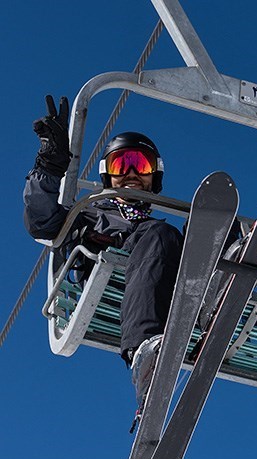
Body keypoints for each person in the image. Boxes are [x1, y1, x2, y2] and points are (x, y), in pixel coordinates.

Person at [24, 95, 184, 426]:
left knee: (204, 232)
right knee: (161, 234)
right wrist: (50, 164)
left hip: (166, 282)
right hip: (110, 282)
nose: (129, 174)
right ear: (106, 177)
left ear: (154, 176)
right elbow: (41, 221)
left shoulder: (165, 236)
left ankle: (222, 285)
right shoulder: (88, 217)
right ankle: (145, 354)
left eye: (139, 166)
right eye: (119, 165)